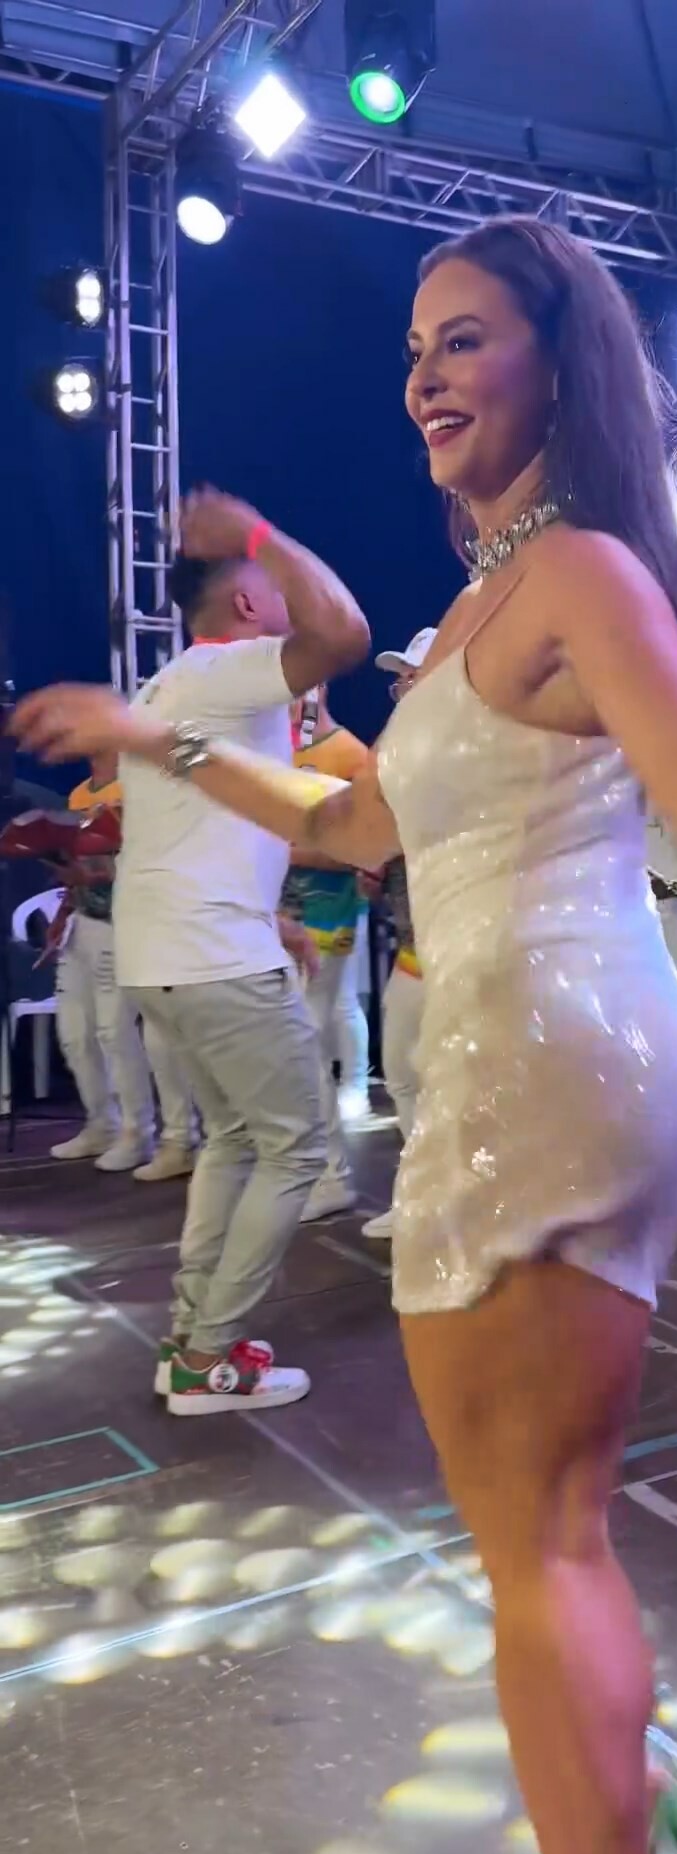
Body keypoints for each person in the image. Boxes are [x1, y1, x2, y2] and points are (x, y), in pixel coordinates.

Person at [14, 216, 677, 1854]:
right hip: (570, 1062)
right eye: (416, 348)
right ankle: (619, 1824)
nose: (426, 376)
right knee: (550, 1539)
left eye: (467, 338)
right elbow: (355, 822)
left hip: (546, 1074)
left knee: (539, 1550)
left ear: (563, 363)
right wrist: (157, 740)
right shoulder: (493, 600)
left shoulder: (578, 573)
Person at [47, 518, 367, 1417]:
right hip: (216, 956)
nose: (286, 597)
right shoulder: (228, 671)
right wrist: (260, 533)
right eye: (270, 583)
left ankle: (193, 1338)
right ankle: (210, 1354)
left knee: (232, 1141)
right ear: (247, 602)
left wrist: (271, 914)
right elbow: (344, 633)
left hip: (172, 952)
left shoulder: (170, 685)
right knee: (295, 1148)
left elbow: (190, 829)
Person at [48, 751, 198, 1177]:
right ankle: (101, 1123)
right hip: (83, 922)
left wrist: (100, 873)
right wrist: (65, 903)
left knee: (115, 1031)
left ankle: (139, 1132)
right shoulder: (79, 795)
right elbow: (77, 862)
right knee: (75, 1035)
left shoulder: (143, 785)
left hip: (127, 923)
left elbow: (153, 858)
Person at [282, 683, 373, 1223]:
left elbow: (360, 851)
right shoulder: (272, 750)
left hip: (325, 916)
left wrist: (283, 849)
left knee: (309, 1036)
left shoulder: (351, 754)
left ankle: (331, 1174)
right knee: (291, 1042)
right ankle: (304, 1165)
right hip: (276, 918)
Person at [362, 627, 438, 1240]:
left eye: (416, 675)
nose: (404, 686)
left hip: (466, 945)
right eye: (401, 678)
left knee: (460, 1084)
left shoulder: (467, 748)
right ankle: (421, 1197)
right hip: (415, 944)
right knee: (402, 1073)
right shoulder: (393, 746)